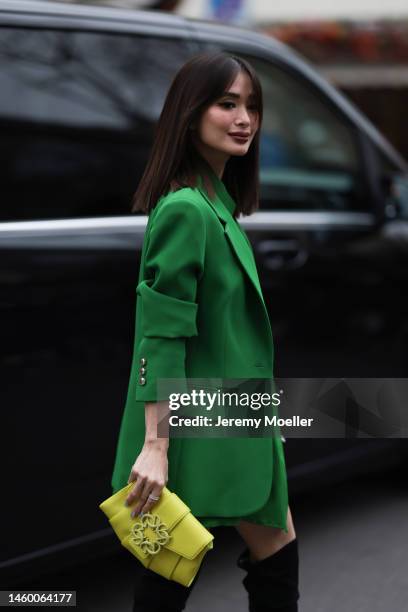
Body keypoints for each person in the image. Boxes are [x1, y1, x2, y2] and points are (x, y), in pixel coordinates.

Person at [111, 51, 300, 611]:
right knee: (169, 569)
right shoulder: (187, 210)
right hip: (185, 424)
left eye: (252, 106)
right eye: (227, 104)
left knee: (269, 545)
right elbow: (161, 335)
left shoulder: (217, 204)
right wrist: (155, 446)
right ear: (190, 114)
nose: (244, 119)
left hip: (228, 415)